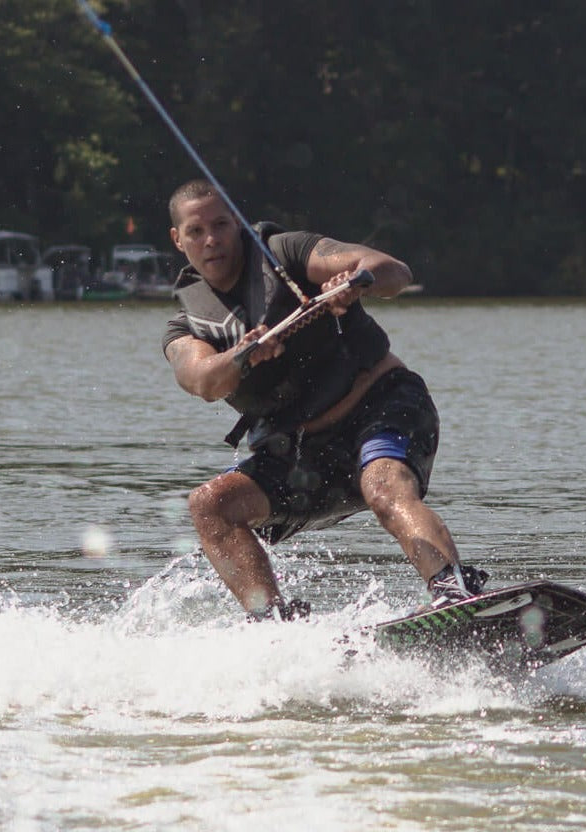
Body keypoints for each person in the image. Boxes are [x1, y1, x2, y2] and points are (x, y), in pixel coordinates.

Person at [162, 178, 487, 620]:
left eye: (221, 224)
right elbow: (200, 379)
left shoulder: (288, 253)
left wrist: (358, 280)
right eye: (197, 231)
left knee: (384, 489)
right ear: (178, 240)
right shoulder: (185, 327)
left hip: (382, 406)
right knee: (210, 504)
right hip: (301, 455)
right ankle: (274, 624)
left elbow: (394, 272)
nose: (212, 239)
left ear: (238, 224)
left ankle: (453, 591)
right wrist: (241, 356)